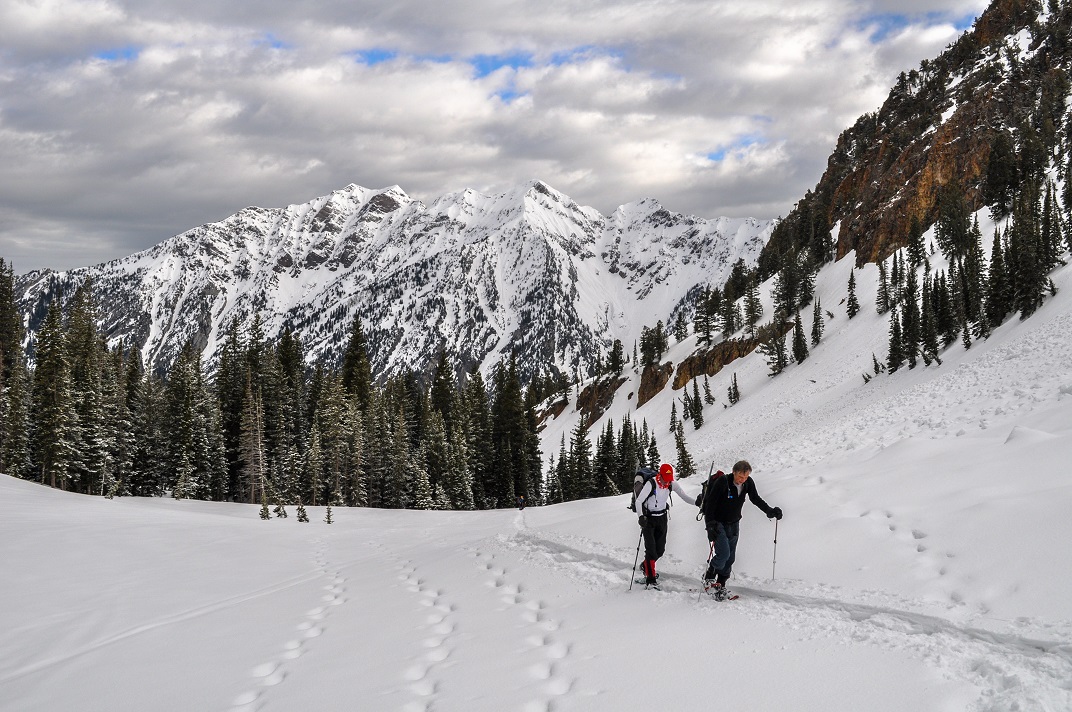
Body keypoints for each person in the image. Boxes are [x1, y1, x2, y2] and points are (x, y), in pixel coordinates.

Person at [699, 460, 782, 599]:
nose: (742, 480)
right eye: (740, 477)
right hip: (718, 523)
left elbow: (755, 499)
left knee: (730, 558)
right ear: (734, 472)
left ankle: (720, 585)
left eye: (745, 477)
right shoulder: (722, 482)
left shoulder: (748, 483)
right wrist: (710, 525)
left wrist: (770, 511)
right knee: (723, 554)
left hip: (734, 523)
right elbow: (710, 506)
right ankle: (708, 577)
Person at [635, 463, 696, 589]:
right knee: (651, 550)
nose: (667, 482)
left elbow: (684, 496)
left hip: (662, 518)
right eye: (665, 479)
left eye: (669, 479)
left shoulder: (671, 484)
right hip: (649, 519)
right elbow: (639, 501)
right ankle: (650, 581)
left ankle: (645, 565)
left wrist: (698, 503)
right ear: (660, 475)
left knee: (660, 550)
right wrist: (641, 517)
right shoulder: (651, 483)